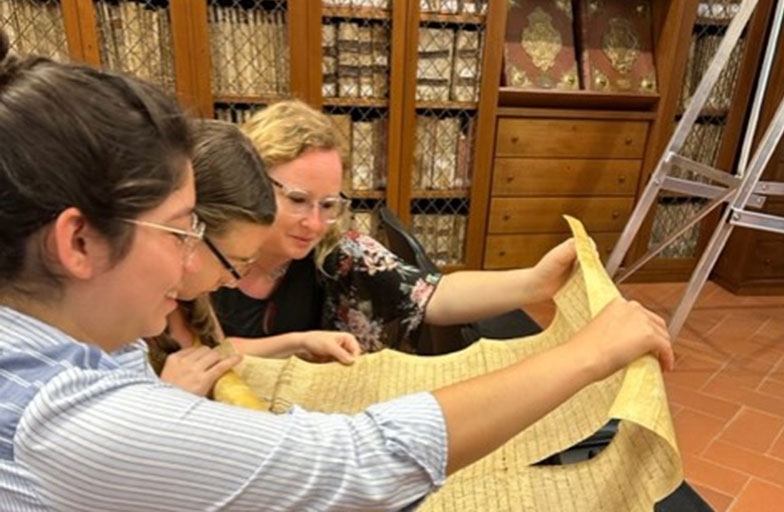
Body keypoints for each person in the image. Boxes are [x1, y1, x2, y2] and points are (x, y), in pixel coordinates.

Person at [0, 34, 673, 512]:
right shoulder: (62, 420)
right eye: (182, 231)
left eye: (328, 204)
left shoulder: (72, 334)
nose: (190, 265)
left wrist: (534, 284)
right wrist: (588, 355)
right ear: (78, 242)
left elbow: (424, 294)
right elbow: (355, 464)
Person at [211, 101, 588, 352]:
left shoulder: (336, 249)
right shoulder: (202, 250)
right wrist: (299, 342)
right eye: (296, 200)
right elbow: (194, 356)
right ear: (252, 181)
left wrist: (536, 282)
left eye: (328, 204)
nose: (314, 223)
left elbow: (432, 295)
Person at [150, 119, 361, 397]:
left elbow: (220, 352)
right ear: (187, 232)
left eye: (329, 205)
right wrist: (169, 399)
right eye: (232, 262)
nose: (231, 281)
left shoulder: (191, 302)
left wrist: (300, 342)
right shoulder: (132, 315)